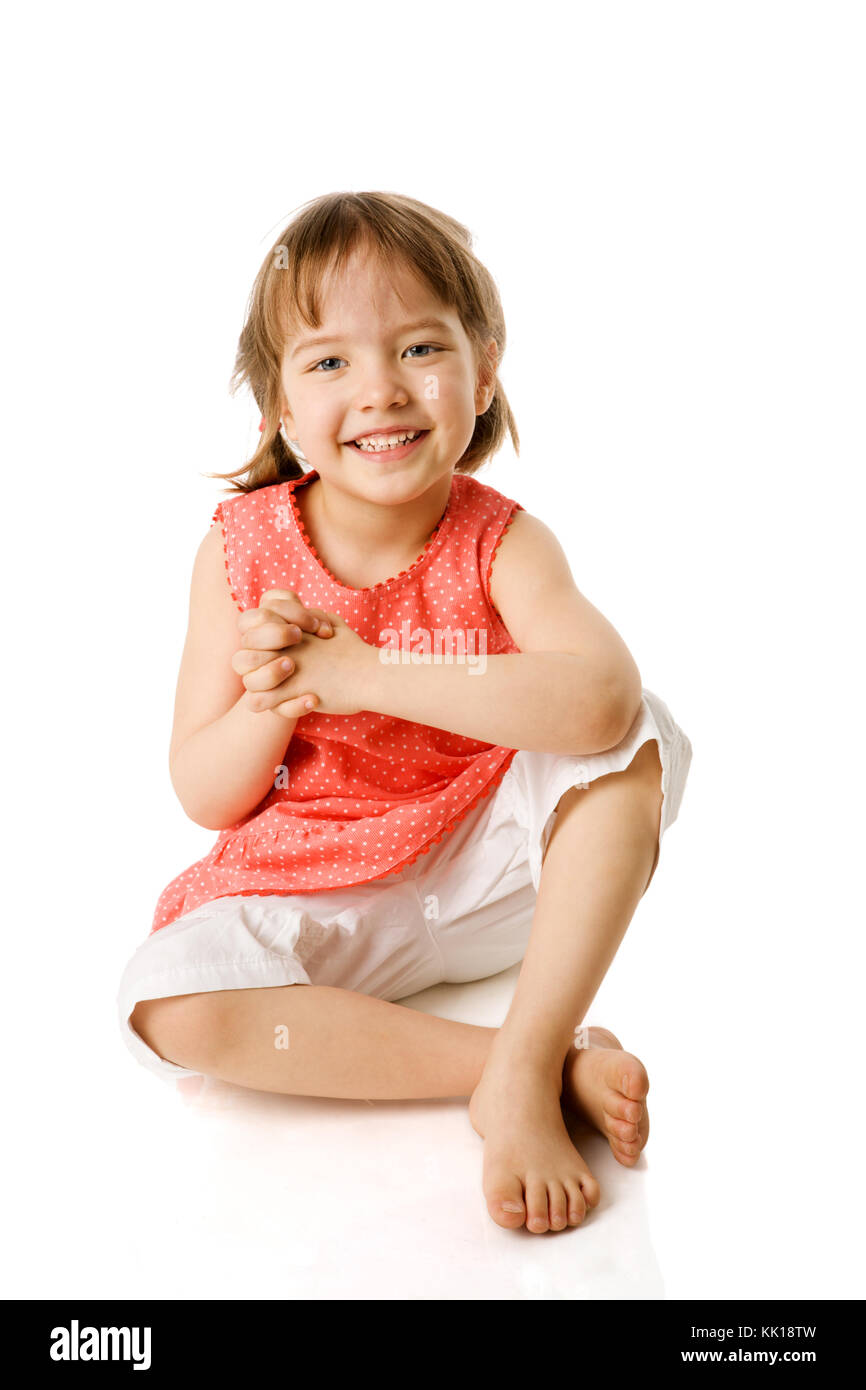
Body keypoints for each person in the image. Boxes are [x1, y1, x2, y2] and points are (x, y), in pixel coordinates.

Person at [117, 190, 693, 1235]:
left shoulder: (499, 540)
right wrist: (277, 695)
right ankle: (522, 1063)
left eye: (419, 347)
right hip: (335, 898)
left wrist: (366, 670)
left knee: (636, 731)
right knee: (165, 1004)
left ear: (482, 371)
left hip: (492, 877)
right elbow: (205, 791)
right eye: (329, 361)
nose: (379, 389)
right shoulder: (242, 549)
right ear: (281, 411)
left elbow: (598, 695)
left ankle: (519, 1062)